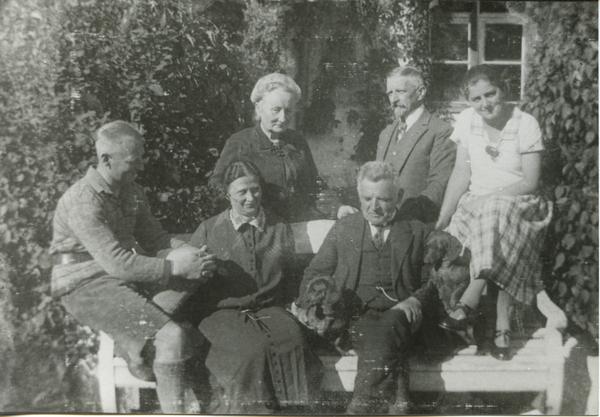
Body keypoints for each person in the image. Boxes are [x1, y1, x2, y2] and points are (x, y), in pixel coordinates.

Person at [49, 121, 217, 413]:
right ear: (105, 159)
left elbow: (156, 240)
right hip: (84, 284)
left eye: (141, 157)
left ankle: (135, 348)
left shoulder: (132, 191)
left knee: (198, 275)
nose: (140, 166)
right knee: (174, 337)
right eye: (133, 160)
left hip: (121, 279)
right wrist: (175, 267)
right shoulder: (82, 200)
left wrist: (191, 253)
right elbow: (119, 263)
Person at [435, 65, 567, 360]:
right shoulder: (467, 120)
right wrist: (444, 216)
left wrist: (487, 200)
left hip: (523, 206)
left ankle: (467, 306)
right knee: (489, 222)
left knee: (497, 212)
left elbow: (529, 182)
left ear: (503, 90)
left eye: (490, 94)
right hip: (477, 207)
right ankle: (501, 329)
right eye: (476, 99)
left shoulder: (526, 123)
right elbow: (460, 172)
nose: (485, 104)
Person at [299, 161, 434, 415]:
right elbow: (314, 273)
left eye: (383, 199)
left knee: (390, 323)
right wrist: (323, 300)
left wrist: (416, 300)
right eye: (367, 198)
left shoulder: (417, 231)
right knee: (379, 335)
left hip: (404, 320)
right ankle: (392, 403)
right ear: (359, 197)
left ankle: (362, 407)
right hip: (355, 319)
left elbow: (435, 280)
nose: (374, 206)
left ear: (399, 197)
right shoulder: (344, 228)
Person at [189, 161, 319, 414]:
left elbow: (293, 275)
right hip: (222, 313)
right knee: (252, 349)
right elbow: (191, 280)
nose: (251, 198)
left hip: (269, 308)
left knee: (291, 338)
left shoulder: (279, 227)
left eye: (255, 190)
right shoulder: (209, 229)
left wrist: (298, 304)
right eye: (242, 192)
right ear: (228, 194)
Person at [337, 66, 455, 224]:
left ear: (421, 92)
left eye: (400, 91)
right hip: (381, 222)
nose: (393, 100)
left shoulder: (440, 130)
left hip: (416, 224)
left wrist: (404, 215)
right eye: (390, 93)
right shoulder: (386, 133)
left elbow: (439, 186)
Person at [211, 73, 325, 222]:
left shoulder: (297, 141)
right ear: (259, 109)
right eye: (276, 110)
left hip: (299, 223)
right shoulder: (241, 142)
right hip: (260, 227)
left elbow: (313, 182)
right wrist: (242, 215)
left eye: (288, 111)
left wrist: (337, 206)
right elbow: (217, 185)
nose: (283, 118)